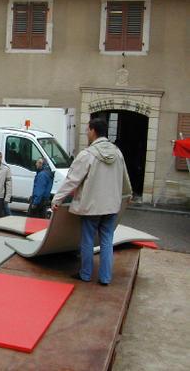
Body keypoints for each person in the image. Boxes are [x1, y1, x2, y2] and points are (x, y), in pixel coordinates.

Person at [51, 118, 132, 286]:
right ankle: (105, 278)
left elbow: (72, 180)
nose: (87, 133)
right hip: (112, 206)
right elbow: (125, 177)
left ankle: (86, 274)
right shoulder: (117, 153)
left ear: (93, 131)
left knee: (87, 240)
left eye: (87, 130)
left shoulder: (87, 154)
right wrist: (128, 194)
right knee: (107, 241)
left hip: (92, 207)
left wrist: (57, 199)